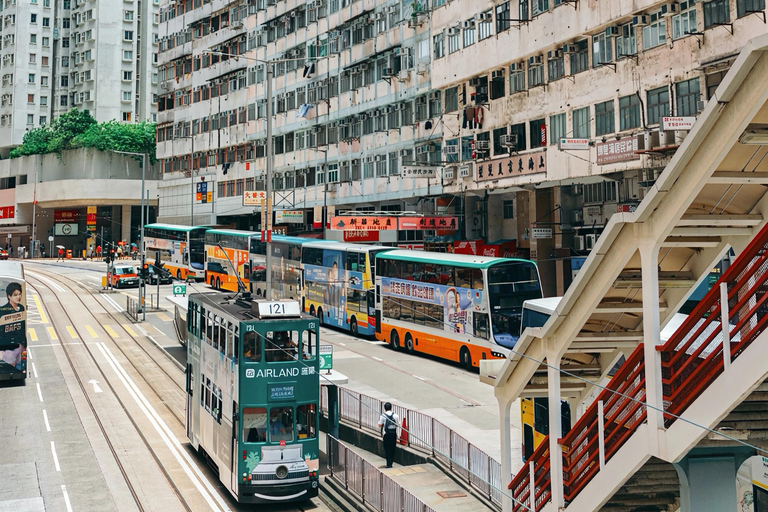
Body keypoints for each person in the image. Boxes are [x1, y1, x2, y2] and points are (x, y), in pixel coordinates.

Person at [377, 402, 400, 468]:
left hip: (386, 435)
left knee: (387, 449)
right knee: (393, 449)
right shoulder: (396, 415)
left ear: (385, 408)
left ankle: (388, 464)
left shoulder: (383, 416)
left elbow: (379, 425)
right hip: (393, 434)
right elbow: (398, 425)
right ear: (391, 407)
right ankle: (391, 463)